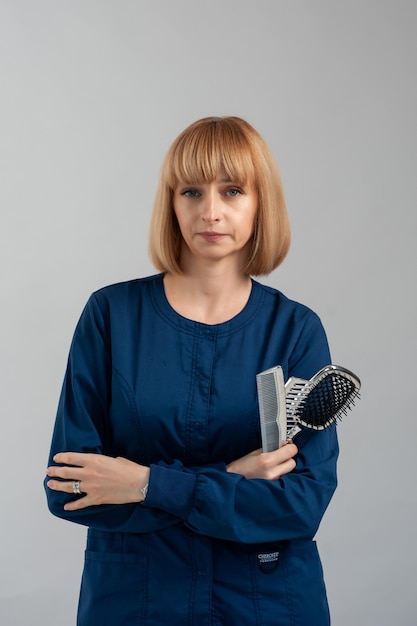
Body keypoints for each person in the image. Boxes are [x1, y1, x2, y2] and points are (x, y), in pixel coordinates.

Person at [45, 116, 338, 626]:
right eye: (190, 191)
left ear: (259, 203)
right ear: (171, 203)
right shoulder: (111, 316)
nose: (211, 211)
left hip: (263, 602)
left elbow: (300, 505)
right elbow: (68, 488)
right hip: (136, 602)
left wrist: (143, 483)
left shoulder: (295, 330)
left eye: (232, 191)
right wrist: (231, 478)